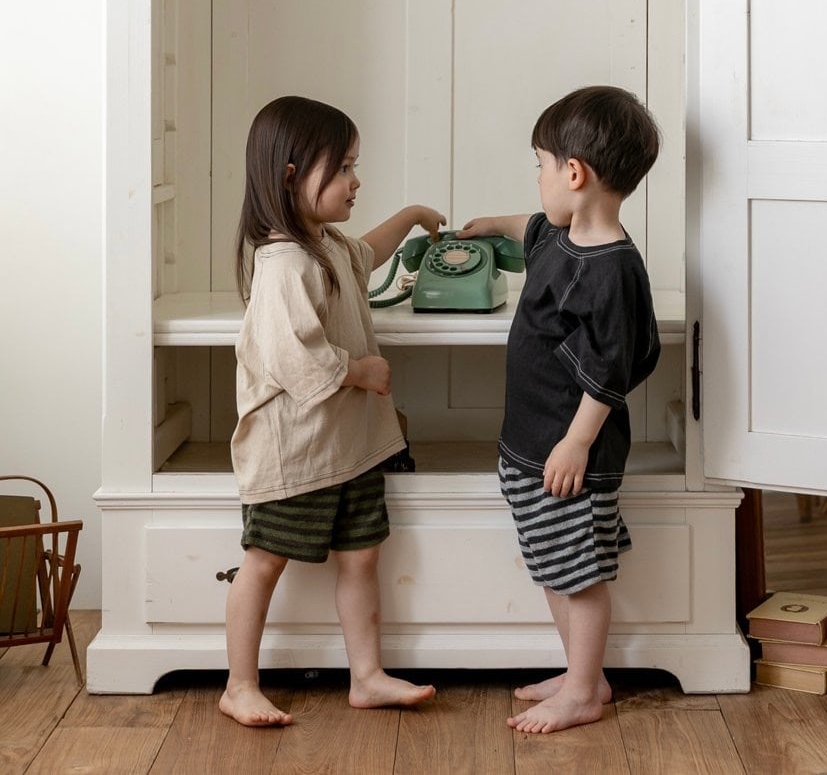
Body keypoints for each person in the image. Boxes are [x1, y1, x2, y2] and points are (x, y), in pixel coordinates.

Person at [219, 95, 444, 727]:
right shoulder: (283, 264)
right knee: (264, 562)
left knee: (362, 557)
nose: (355, 181)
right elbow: (295, 359)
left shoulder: (325, 245)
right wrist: (361, 370)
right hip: (296, 454)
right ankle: (239, 685)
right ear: (292, 175)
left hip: (349, 449)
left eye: (354, 166)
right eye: (343, 168)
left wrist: (414, 215)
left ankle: (366, 677)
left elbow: (366, 254)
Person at [458, 85, 661, 734]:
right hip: (530, 445)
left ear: (573, 173)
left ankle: (582, 692)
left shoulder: (612, 271)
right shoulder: (558, 232)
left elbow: (607, 374)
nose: (538, 177)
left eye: (540, 165)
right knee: (552, 564)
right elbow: (529, 223)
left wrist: (575, 444)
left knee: (581, 577)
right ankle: (583, 673)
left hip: (569, 453)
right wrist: (487, 225)